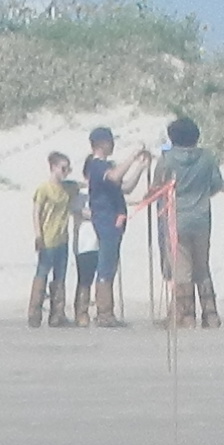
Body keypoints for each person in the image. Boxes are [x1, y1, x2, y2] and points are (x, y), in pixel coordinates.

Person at [151, 112, 221, 327]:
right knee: (202, 266)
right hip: (201, 218)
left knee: (181, 268)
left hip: (176, 219)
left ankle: (184, 315)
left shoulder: (167, 160)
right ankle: (210, 314)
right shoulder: (208, 157)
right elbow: (217, 185)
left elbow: (157, 188)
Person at [76, 129, 131, 324]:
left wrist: (141, 166)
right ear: (101, 144)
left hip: (114, 221)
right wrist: (133, 155)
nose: (113, 145)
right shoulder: (97, 166)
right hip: (106, 220)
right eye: (110, 141)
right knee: (106, 265)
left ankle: (105, 311)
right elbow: (115, 177)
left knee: (111, 263)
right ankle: (104, 312)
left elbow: (125, 186)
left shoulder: (106, 166)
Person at [26, 150, 78, 327]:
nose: (65, 172)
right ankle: (34, 313)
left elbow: (84, 185)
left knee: (60, 276)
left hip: (63, 239)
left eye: (68, 169)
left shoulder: (68, 188)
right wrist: (38, 235)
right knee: (42, 273)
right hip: (47, 239)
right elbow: (36, 212)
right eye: (63, 168)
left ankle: (57, 314)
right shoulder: (44, 189)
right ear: (53, 167)